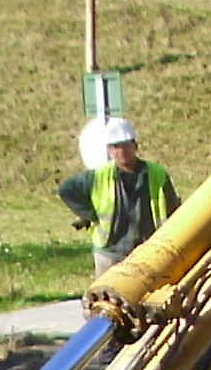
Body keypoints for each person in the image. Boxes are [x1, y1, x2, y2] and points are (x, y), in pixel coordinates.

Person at [57, 114, 177, 274]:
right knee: (107, 296)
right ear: (109, 150)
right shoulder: (98, 176)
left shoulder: (157, 174)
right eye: (115, 147)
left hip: (148, 250)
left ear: (135, 146)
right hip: (110, 251)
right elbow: (66, 189)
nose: (121, 151)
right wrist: (89, 214)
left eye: (126, 145)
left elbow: (174, 208)